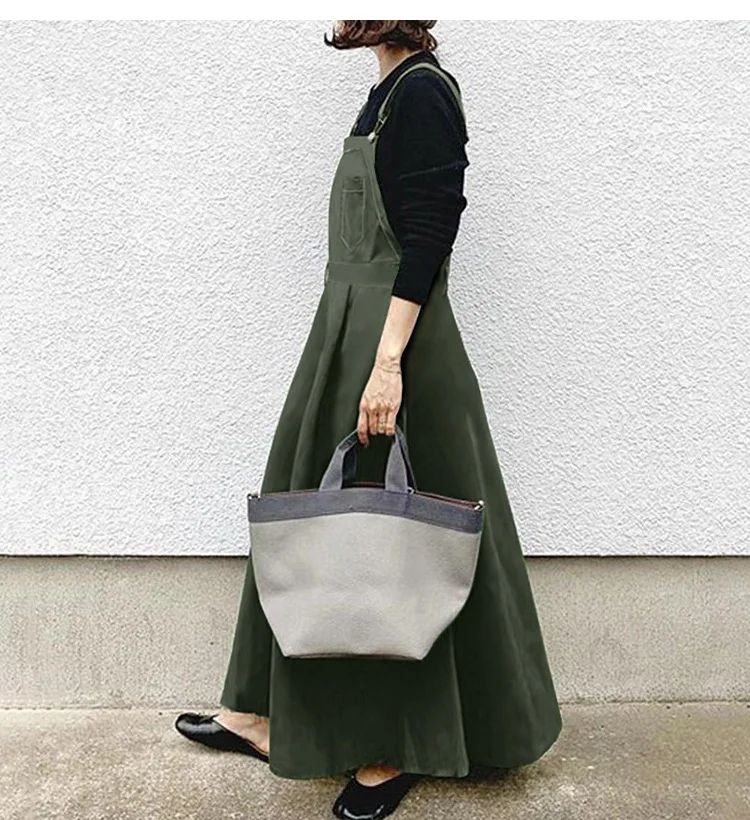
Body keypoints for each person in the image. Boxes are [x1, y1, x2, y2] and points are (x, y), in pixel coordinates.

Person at [175, 20, 562, 820]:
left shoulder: (423, 94)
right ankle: (264, 714)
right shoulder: (384, 93)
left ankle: (392, 747)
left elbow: (430, 235)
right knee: (313, 517)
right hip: (347, 330)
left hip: (394, 343)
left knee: (388, 541)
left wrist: (387, 364)